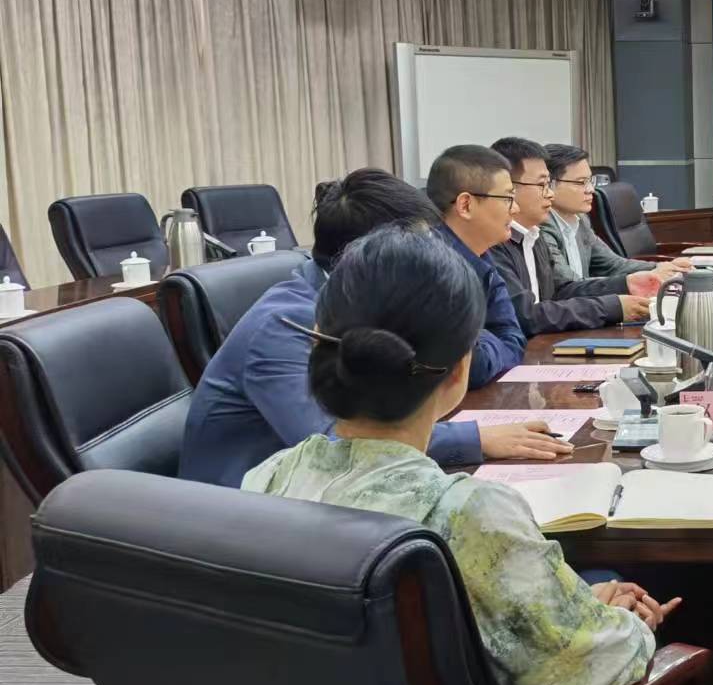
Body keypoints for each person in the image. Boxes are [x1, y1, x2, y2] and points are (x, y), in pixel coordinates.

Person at [242, 226, 679, 685]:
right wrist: (626, 624)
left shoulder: (267, 479)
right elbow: (594, 665)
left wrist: (572, 605)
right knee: (667, 661)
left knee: (593, 584)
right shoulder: (467, 512)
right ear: (458, 372)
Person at [179, 169, 572, 488]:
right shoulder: (286, 325)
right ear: (372, 254)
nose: (432, 258)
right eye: (419, 245)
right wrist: (477, 438)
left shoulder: (369, 305)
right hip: (242, 523)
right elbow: (336, 440)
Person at [485, 137, 655, 335]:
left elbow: (560, 292)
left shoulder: (534, 235)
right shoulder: (493, 243)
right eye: (542, 185)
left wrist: (626, 284)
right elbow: (526, 316)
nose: (550, 194)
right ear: (510, 188)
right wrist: (612, 307)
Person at [426, 145, 534, 384]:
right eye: (507, 198)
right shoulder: (430, 267)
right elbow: (471, 367)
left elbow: (514, 340)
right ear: (465, 205)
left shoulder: (482, 256)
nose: (516, 209)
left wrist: (482, 339)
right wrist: (488, 341)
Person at [540, 142, 693, 289]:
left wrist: (662, 268)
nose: (591, 189)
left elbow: (613, 264)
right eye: (581, 183)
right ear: (549, 184)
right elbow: (568, 285)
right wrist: (632, 282)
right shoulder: (542, 226)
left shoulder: (581, 220)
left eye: (590, 181)